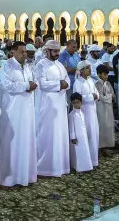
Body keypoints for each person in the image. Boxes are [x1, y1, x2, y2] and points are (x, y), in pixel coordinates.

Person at [0, 41, 39, 186]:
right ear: (13, 51)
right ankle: (9, 178)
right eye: (22, 52)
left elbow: (34, 81)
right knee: (12, 142)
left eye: (25, 52)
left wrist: (31, 85)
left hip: (26, 110)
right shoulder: (6, 66)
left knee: (26, 140)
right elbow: (6, 85)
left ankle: (25, 175)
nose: (25, 54)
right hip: (12, 111)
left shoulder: (27, 66)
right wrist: (27, 85)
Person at [34, 40, 69, 178]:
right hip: (47, 105)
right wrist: (59, 84)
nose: (57, 54)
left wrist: (64, 84)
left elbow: (67, 80)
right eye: (54, 51)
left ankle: (61, 166)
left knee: (60, 133)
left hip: (60, 104)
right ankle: (45, 167)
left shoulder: (60, 65)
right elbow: (42, 84)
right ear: (47, 51)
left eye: (58, 51)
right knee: (48, 134)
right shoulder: (41, 65)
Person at [72, 60, 99, 167]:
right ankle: (86, 162)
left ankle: (94, 160)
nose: (90, 70)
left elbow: (96, 92)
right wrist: (91, 96)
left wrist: (95, 95)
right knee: (86, 135)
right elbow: (77, 98)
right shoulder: (77, 83)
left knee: (94, 135)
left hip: (93, 111)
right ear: (81, 70)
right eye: (88, 68)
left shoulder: (90, 80)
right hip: (84, 112)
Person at [69, 92, 93, 173]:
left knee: (85, 150)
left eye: (78, 102)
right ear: (72, 103)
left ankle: (86, 166)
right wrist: (72, 137)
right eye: (74, 103)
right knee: (77, 152)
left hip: (83, 136)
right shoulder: (72, 114)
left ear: (81, 103)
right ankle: (78, 167)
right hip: (77, 137)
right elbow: (71, 127)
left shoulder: (82, 112)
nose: (76, 104)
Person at [94, 65, 115, 154]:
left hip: (109, 107)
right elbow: (100, 97)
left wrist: (108, 97)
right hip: (101, 107)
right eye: (104, 74)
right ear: (99, 74)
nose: (106, 76)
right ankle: (101, 147)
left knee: (109, 126)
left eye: (107, 74)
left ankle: (107, 146)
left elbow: (113, 95)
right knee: (102, 125)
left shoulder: (108, 83)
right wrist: (108, 97)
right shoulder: (97, 84)